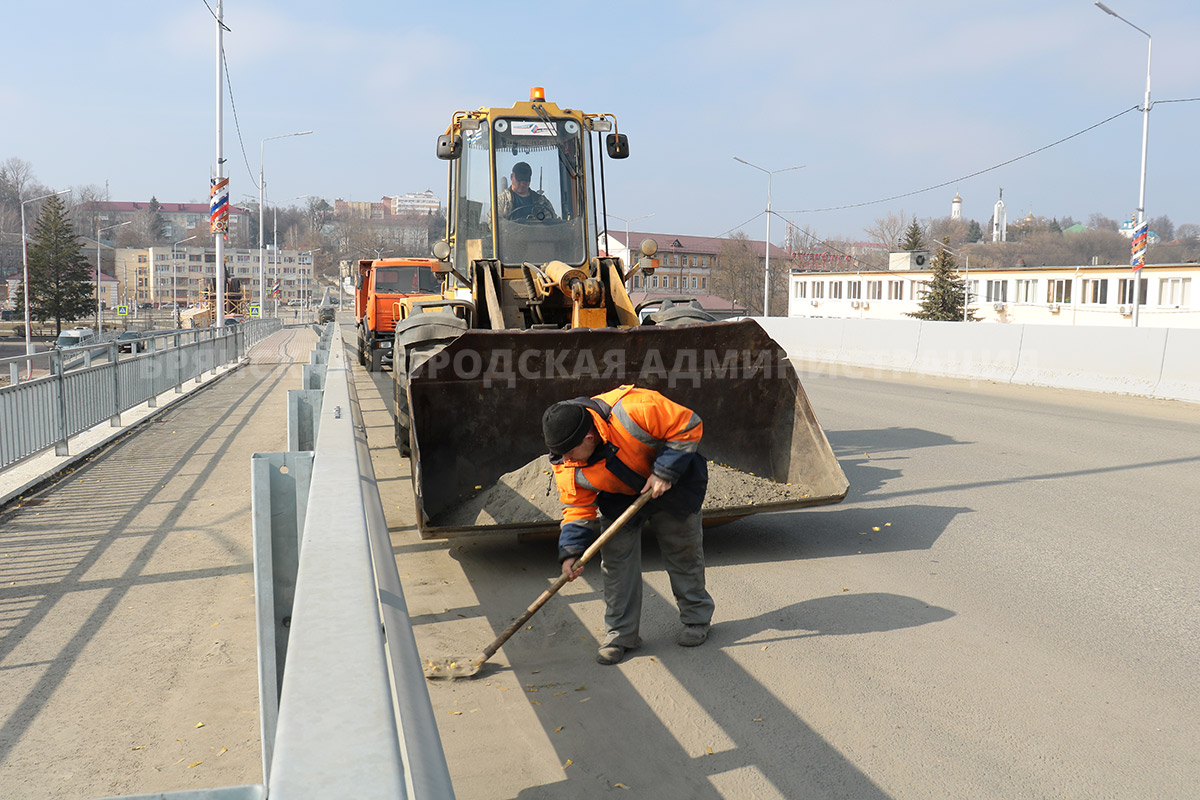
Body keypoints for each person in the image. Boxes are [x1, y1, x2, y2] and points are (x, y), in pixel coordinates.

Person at [543, 384, 714, 665]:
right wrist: (571, 552)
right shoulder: (566, 461)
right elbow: (577, 507)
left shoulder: (634, 408)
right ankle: (621, 635)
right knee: (616, 563)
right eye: (561, 454)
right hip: (620, 493)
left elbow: (689, 424)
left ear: (589, 436)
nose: (566, 460)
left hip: (676, 478)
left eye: (570, 452)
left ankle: (697, 620)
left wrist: (664, 472)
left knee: (683, 551)